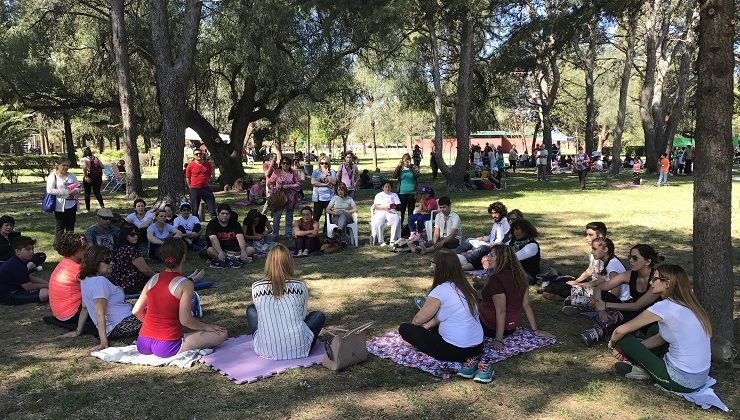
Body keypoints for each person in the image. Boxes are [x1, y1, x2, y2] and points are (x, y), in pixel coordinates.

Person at [458, 244, 555, 381]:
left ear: (502, 259)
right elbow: (526, 305)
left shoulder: (496, 280)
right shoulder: (521, 276)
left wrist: (498, 339)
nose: (488, 257)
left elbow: (501, 311)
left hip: (490, 326)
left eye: (492, 255)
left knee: (460, 309)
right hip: (511, 327)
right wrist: (535, 329)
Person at [609, 265, 712, 392]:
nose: (651, 282)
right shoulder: (690, 305)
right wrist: (635, 350)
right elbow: (659, 338)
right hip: (700, 378)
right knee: (654, 330)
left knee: (623, 339)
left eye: (655, 279)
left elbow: (620, 331)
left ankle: (648, 372)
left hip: (679, 381)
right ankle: (648, 369)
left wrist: (614, 345)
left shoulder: (664, 307)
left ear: (667, 283)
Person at [133, 238, 227, 358]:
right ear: (183, 257)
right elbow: (185, 320)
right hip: (167, 345)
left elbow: (136, 311)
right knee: (221, 333)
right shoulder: (186, 284)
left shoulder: (153, 279)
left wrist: (154, 327)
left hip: (143, 343)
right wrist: (206, 327)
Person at [399, 249, 483, 363]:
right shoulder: (467, 288)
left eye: (433, 262)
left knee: (405, 328)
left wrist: (414, 335)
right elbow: (443, 316)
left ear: (439, 267)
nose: (431, 266)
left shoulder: (440, 290)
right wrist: (426, 327)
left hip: (456, 350)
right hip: (477, 347)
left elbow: (418, 320)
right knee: (433, 327)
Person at [245, 244, 326, 360]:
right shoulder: (300, 286)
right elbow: (301, 317)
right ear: (289, 262)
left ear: (268, 262)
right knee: (318, 315)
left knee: (251, 310)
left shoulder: (256, 287)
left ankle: (268, 340)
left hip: (265, 349)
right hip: (299, 348)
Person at [578, 244, 665, 345]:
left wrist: (605, 305)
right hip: (633, 312)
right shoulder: (630, 275)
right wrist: (601, 308)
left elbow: (637, 306)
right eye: (630, 257)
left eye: (635, 258)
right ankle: (602, 317)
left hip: (651, 319)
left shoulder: (657, 279)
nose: (630, 261)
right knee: (605, 295)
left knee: (630, 316)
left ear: (648, 261)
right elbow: (600, 288)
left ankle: (600, 332)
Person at [78, 245, 142, 351]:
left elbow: (85, 307)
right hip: (120, 324)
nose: (111, 263)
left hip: (120, 322)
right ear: (95, 263)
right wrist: (104, 342)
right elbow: (100, 313)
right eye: (107, 261)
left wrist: (78, 331)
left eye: (111, 260)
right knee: (160, 314)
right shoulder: (100, 282)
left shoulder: (85, 280)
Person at [49, 233, 91, 333]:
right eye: (83, 248)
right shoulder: (77, 269)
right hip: (71, 315)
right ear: (74, 250)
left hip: (60, 314)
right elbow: (94, 286)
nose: (87, 250)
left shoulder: (65, 262)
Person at [454, 201, 509, 271]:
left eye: (496, 213)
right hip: (490, 244)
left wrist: (492, 245)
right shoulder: (496, 222)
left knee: (483, 248)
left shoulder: (505, 223)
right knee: (470, 240)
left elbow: (504, 240)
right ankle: (452, 253)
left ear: (501, 212)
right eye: (492, 213)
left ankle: (464, 259)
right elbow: (491, 236)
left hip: (497, 247)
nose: (493, 216)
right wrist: (482, 238)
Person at [0, 236, 49, 305]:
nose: (32, 252)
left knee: (47, 289)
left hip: (17, 287)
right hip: (8, 294)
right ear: (17, 251)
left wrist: (48, 284)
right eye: (28, 249)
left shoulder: (21, 260)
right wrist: (47, 286)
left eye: (32, 249)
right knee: (46, 293)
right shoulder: (16, 265)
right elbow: (29, 287)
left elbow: (28, 277)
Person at [206, 203, 254, 268]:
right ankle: (236, 260)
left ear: (230, 214)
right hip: (220, 250)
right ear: (218, 214)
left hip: (235, 250)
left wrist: (243, 251)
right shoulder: (212, 224)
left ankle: (228, 261)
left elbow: (240, 237)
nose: (225, 215)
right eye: (222, 213)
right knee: (210, 250)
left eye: (227, 213)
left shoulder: (235, 223)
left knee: (251, 250)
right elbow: (213, 239)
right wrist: (220, 252)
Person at [111, 224, 155, 294]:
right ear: (125, 235)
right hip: (131, 285)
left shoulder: (118, 248)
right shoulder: (131, 250)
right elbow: (145, 270)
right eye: (132, 234)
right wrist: (156, 276)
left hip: (119, 284)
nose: (136, 236)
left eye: (137, 234)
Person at [47, 158, 81, 245]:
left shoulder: (72, 176)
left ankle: (70, 244)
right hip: (60, 205)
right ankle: (58, 244)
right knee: (60, 226)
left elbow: (78, 186)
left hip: (72, 204)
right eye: (63, 165)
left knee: (70, 226)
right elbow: (50, 190)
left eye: (67, 166)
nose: (66, 167)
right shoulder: (53, 176)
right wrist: (65, 192)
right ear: (58, 166)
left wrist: (76, 190)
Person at [268, 156, 302, 238]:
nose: (285, 165)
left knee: (289, 216)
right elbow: (269, 183)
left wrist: (289, 186)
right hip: (279, 197)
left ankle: (288, 234)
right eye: (283, 163)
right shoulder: (276, 172)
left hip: (291, 198)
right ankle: (275, 234)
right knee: (277, 216)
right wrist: (275, 190)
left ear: (290, 165)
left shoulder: (293, 173)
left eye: (287, 163)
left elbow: (298, 184)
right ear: (281, 164)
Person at [507, 219, 541, 284]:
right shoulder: (514, 241)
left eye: (517, 229)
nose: (515, 232)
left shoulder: (532, 245)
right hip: (514, 271)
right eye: (514, 230)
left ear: (526, 230)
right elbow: (501, 250)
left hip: (528, 275)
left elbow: (512, 258)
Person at [185, 149, 217, 219]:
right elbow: (188, 178)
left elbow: (209, 175)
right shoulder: (190, 165)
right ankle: (195, 224)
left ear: (202, 155)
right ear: (194, 156)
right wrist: (190, 187)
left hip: (205, 188)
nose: (198, 155)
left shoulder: (207, 164)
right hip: (194, 189)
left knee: (211, 206)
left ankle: (214, 220)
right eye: (196, 154)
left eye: (200, 153)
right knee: (194, 209)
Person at [310, 154, 336, 233]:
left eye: (325, 163)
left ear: (328, 164)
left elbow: (334, 182)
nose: (324, 165)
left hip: (329, 198)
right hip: (318, 198)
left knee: (328, 216)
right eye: (322, 163)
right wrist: (324, 184)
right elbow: (313, 182)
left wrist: (326, 174)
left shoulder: (331, 172)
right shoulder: (316, 172)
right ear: (319, 164)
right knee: (316, 216)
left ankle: (327, 233)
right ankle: (314, 232)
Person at [371, 180, 401, 246]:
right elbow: (376, 206)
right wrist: (384, 207)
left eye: (389, 187)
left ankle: (393, 241)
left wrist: (393, 206)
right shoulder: (379, 195)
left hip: (391, 212)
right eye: (386, 187)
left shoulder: (394, 195)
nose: (387, 188)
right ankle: (381, 241)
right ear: (382, 187)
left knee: (396, 220)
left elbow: (398, 205)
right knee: (378, 221)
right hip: (380, 212)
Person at [393, 153, 420, 226]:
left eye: (407, 160)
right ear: (402, 161)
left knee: (411, 212)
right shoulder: (400, 168)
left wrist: (411, 167)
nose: (406, 162)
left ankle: (410, 229)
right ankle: (400, 228)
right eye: (404, 160)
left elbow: (418, 175)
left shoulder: (413, 167)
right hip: (402, 193)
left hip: (412, 193)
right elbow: (394, 175)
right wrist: (398, 166)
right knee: (402, 211)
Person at [80, 147, 105, 213]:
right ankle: (102, 207)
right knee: (97, 193)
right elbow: (102, 166)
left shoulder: (83, 159)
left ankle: (88, 210)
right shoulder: (95, 158)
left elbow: (84, 167)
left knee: (87, 193)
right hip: (97, 178)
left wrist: (85, 176)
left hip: (89, 177)